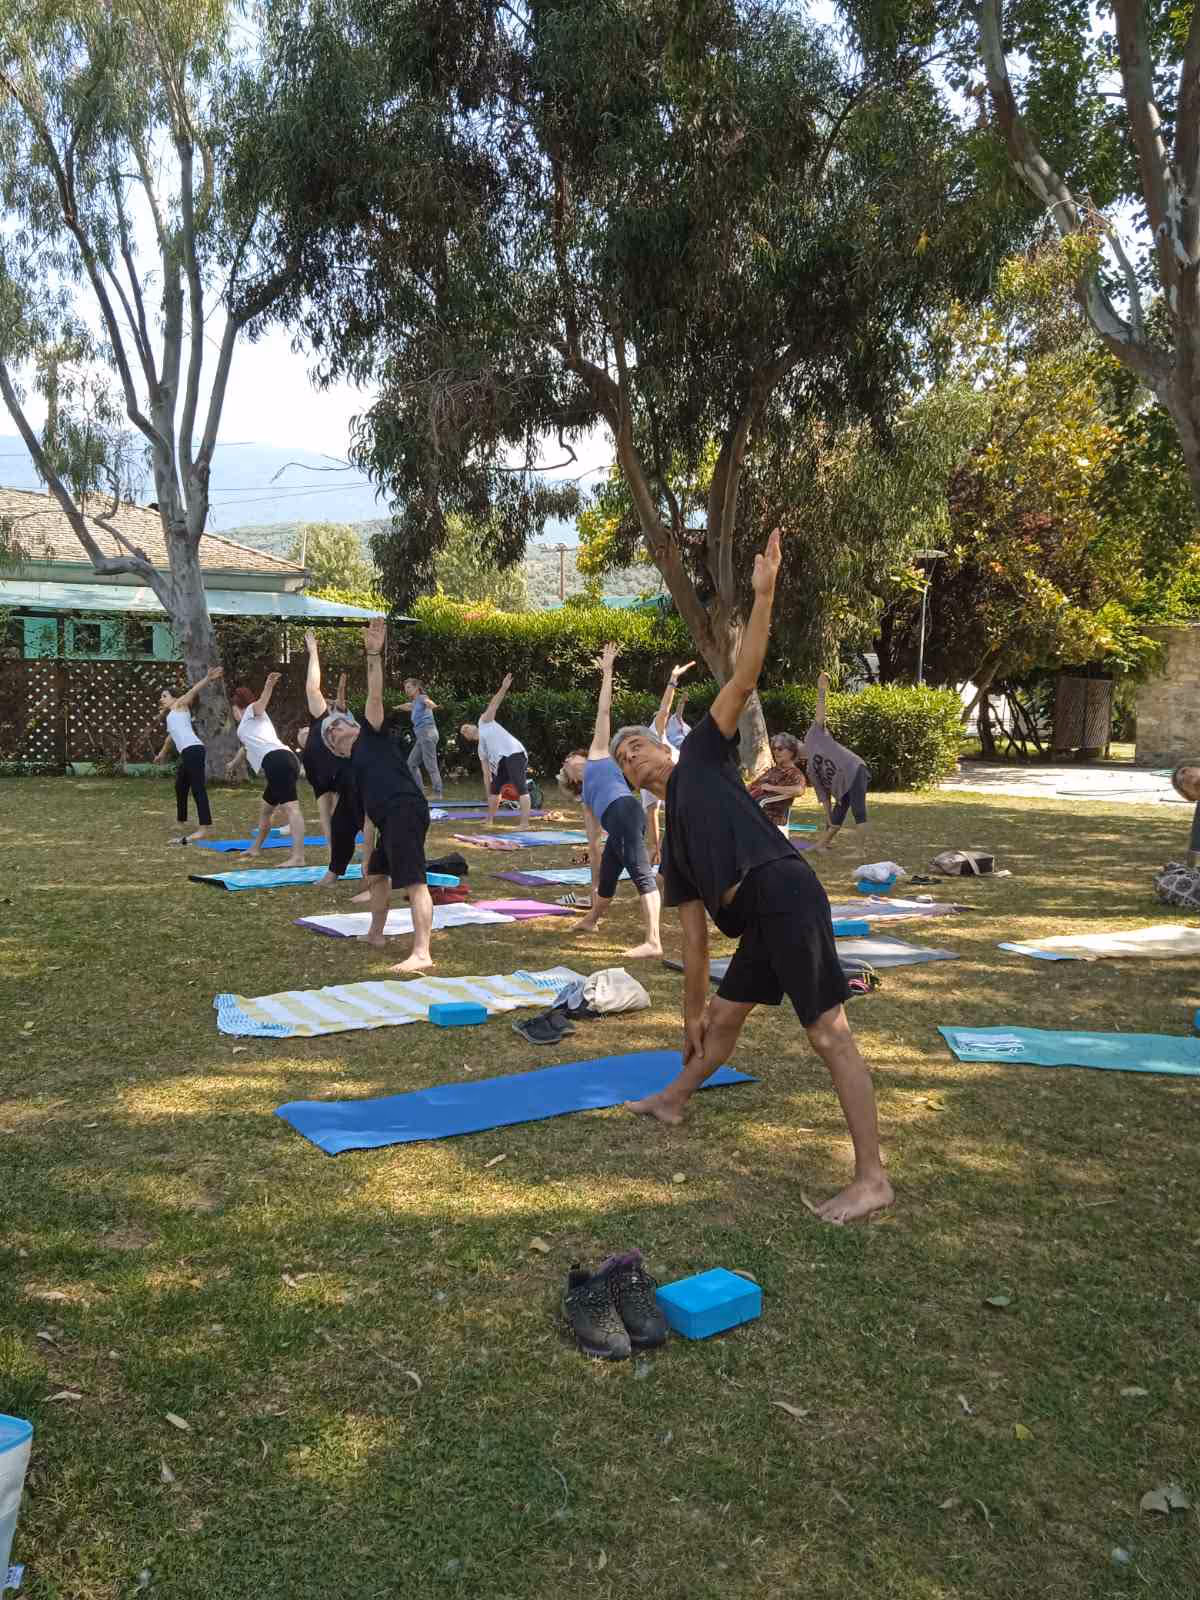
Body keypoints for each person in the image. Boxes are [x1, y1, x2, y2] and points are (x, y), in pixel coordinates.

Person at [609, 528, 893, 1224]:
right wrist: (689, 1013)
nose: (636, 758)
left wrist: (763, 598)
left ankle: (873, 1178)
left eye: (641, 744)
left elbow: (744, 676)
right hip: (759, 917)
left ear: (664, 747)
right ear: (632, 785)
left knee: (828, 1033)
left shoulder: (704, 754)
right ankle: (674, 1099)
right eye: (625, 761)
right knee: (726, 1015)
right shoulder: (671, 839)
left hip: (785, 890)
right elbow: (696, 941)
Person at [324, 619, 433, 970]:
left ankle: (422, 953)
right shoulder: (353, 768)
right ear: (336, 749)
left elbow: (374, 693)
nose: (337, 726)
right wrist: (366, 855)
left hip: (405, 808)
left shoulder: (371, 733)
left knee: (414, 881)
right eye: (332, 731)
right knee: (377, 874)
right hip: (390, 818)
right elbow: (367, 815)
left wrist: (373, 653)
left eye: (340, 723)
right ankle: (376, 933)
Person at [557, 644, 662, 959]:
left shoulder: (599, 755)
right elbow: (593, 845)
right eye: (565, 764)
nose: (569, 760)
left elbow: (604, 712)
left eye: (569, 757)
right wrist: (591, 883)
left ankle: (654, 942)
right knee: (606, 880)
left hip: (625, 811)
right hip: (616, 823)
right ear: (572, 779)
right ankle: (591, 919)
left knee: (641, 872)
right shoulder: (587, 798)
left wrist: (607, 671)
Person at [296, 630, 361, 885]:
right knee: (329, 818)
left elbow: (313, 687)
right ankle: (334, 865)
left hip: (346, 771)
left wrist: (313, 651)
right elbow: (324, 816)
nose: (300, 733)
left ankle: (372, 868)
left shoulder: (321, 722)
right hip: (324, 778)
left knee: (359, 818)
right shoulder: (309, 762)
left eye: (302, 730)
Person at [226, 674, 306, 866]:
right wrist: (233, 765)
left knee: (291, 808)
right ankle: (255, 848)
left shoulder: (251, 712)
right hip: (281, 761)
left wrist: (268, 684)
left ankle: (298, 857)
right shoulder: (248, 726)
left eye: (233, 711)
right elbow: (246, 749)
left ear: (237, 707)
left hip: (278, 761)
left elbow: (261, 703)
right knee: (266, 809)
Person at [799, 673, 870, 849]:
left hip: (853, 768)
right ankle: (821, 845)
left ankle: (861, 852)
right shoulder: (810, 769)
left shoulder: (813, 737)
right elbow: (824, 798)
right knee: (837, 814)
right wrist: (829, 818)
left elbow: (820, 715)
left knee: (858, 810)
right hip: (842, 784)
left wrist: (821, 690)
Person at [154, 666, 223, 842]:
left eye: (164, 696)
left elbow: (193, 690)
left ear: (175, 698)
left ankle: (204, 828)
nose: (161, 699)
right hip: (188, 752)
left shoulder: (179, 705)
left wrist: (207, 678)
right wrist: (162, 753)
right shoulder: (171, 716)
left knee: (197, 788)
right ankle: (182, 820)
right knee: (180, 785)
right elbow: (170, 738)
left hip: (194, 750)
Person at [460, 674, 533, 824]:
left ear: (473, 725)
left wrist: (504, 687)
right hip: (502, 761)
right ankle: (490, 819)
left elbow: (494, 704)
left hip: (514, 752)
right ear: (467, 738)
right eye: (463, 731)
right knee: (495, 788)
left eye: (466, 726)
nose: (465, 729)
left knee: (520, 786)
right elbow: (487, 775)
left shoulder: (484, 722)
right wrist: (489, 793)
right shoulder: (481, 750)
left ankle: (524, 824)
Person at [643, 662, 693, 866]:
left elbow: (664, 710)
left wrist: (673, 681)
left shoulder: (655, 734)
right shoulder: (644, 775)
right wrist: (654, 846)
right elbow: (652, 812)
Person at [749, 733, 809, 835]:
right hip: (751, 810)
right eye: (774, 748)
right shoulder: (773, 770)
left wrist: (771, 788)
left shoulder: (794, 773)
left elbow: (799, 790)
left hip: (768, 816)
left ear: (791, 752)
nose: (776, 751)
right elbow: (752, 786)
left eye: (780, 749)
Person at [397, 677, 444, 802]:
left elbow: (428, 702)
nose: (406, 690)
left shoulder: (422, 698)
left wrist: (434, 706)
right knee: (411, 764)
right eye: (405, 688)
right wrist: (397, 707)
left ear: (416, 688)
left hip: (427, 733)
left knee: (431, 765)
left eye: (409, 687)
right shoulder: (415, 702)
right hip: (422, 736)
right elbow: (408, 706)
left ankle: (438, 793)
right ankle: (420, 791)